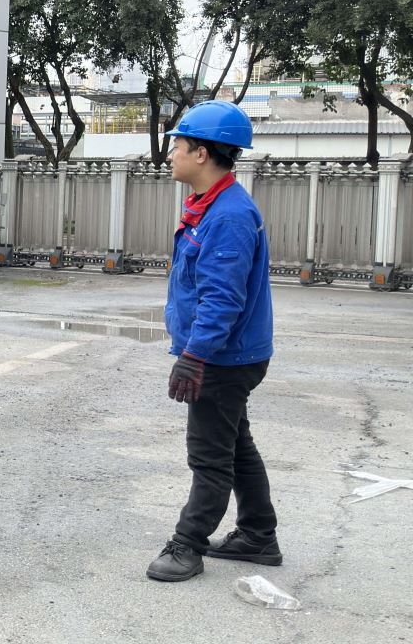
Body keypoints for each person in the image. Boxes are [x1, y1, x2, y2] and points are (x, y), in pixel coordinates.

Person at [147, 100, 278, 583]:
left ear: (202, 153)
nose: (171, 155)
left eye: (178, 146)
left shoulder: (227, 216)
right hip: (229, 353)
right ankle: (258, 535)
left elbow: (222, 299)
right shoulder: (210, 206)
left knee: (209, 455)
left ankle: (188, 545)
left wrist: (193, 357)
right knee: (235, 445)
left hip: (223, 358)